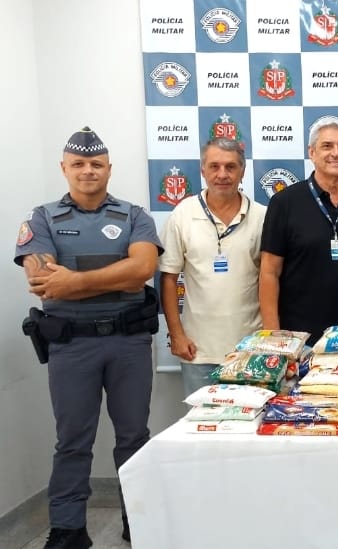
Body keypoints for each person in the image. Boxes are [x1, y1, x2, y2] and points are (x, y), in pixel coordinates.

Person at [14, 127, 162, 548]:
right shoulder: (41, 218)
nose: (87, 170)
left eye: (96, 163)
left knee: (134, 436)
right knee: (72, 440)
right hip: (70, 345)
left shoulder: (135, 216)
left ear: (109, 169)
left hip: (128, 344)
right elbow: (43, 282)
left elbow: (140, 273)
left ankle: (139, 520)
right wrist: (113, 277)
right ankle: (68, 529)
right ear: (64, 168)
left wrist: (74, 281)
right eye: (78, 163)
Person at [259, 116, 338, 343]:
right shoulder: (284, 203)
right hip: (300, 338)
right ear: (312, 152)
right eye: (327, 146)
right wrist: (272, 335)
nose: (336, 153)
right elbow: (269, 272)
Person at [159, 137, 266, 397]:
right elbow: (168, 278)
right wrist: (176, 334)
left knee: (250, 431)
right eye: (214, 166)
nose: (222, 174)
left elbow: (271, 278)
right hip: (198, 349)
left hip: (251, 348)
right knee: (201, 429)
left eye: (230, 167)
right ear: (202, 170)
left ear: (242, 171)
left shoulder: (262, 216)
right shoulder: (182, 214)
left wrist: (269, 338)